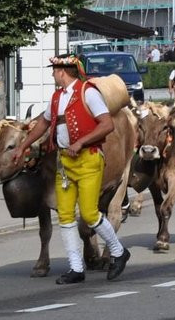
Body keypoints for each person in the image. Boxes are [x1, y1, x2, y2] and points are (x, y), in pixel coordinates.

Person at [12, 55, 130, 284]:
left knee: (89, 214)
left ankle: (118, 251)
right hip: (65, 162)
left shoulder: (89, 92)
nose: (52, 73)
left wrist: (81, 142)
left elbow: (107, 124)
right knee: (65, 216)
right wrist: (24, 146)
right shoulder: (57, 97)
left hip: (88, 159)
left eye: (54, 69)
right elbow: (44, 124)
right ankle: (76, 268)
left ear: (64, 71)